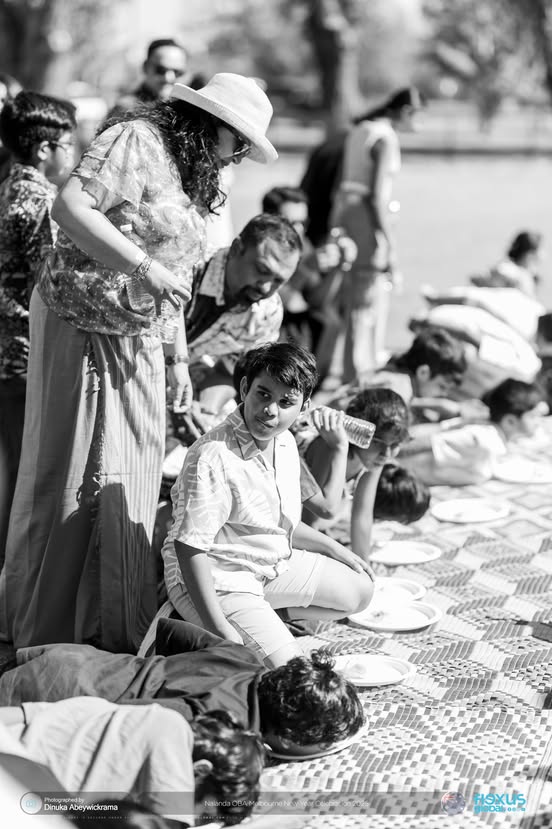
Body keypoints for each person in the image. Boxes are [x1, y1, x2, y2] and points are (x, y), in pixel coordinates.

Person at [0, 73, 278, 653]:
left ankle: (110, 629)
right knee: (70, 476)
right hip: (78, 319)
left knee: (132, 476)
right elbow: (71, 206)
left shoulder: (195, 172)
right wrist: (139, 267)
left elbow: (172, 269)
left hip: (142, 337)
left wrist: (178, 358)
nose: (241, 155)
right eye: (241, 141)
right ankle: (45, 633)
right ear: (212, 125)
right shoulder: (134, 139)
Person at [149, 342, 374, 668]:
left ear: (303, 407)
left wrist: (337, 550)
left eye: (286, 402)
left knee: (361, 590)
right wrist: (221, 629)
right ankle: (201, 623)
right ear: (245, 388)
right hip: (218, 580)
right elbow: (189, 549)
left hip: (267, 566)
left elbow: (279, 525)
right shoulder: (214, 455)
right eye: (263, 394)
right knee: (293, 679)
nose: (270, 410)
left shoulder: (283, 441)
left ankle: (260, 621)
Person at [0, 617, 365, 760]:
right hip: (51, 697)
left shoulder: (242, 657)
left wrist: (155, 672)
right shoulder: (222, 727)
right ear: (286, 740)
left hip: (75, 661)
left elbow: (172, 631)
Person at [0, 91, 76, 564]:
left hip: (7, 354)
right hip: (26, 355)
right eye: (68, 142)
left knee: (10, 470)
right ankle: (15, 581)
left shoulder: (7, 188)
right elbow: (52, 286)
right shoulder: (42, 202)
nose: (74, 151)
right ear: (45, 149)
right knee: (29, 477)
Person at [0, 696, 264, 826]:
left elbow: (17, 715)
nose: (196, 822)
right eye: (205, 813)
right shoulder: (171, 730)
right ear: (200, 770)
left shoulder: (101, 709)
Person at [331, 87, 421, 382]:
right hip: (366, 221)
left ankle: (350, 369)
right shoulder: (385, 138)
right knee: (365, 301)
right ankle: (358, 374)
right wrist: (389, 243)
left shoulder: (361, 130)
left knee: (355, 297)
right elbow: (378, 197)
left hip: (347, 213)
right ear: (406, 112)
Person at [186, 214, 302, 415]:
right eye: (261, 270)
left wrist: (205, 411)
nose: (266, 287)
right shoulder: (189, 260)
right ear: (237, 248)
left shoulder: (269, 312)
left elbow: (229, 373)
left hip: (183, 383)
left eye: (278, 281)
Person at [300, 389, 411, 559]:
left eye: (395, 444)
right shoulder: (329, 447)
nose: (386, 453)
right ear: (358, 432)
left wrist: (364, 568)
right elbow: (310, 520)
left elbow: (362, 515)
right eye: (377, 442)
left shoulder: (375, 457)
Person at [261, 186, 355, 384]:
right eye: (291, 222)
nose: (299, 229)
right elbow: (279, 301)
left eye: (303, 222)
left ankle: (311, 384)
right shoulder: (260, 249)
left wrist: (339, 268)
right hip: (266, 329)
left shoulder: (303, 245)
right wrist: (306, 269)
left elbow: (317, 301)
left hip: (292, 325)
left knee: (329, 319)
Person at [399, 378, 546, 486]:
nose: (539, 421)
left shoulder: (497, 436)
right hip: (401, 475)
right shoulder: (482, 438)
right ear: (510, 421)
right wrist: (386, 455)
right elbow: (424, 442)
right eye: (533, 417)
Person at [112, 39, 190, 114]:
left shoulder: (188, 110)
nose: (168, 78)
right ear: (145, 67)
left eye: (177, 72)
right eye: (161, 70)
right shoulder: (125, 108)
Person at [471, 230, 542, 297]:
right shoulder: (511, 271)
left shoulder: (526, 274)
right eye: (539, 251)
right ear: (530, 254)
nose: (542, 256)